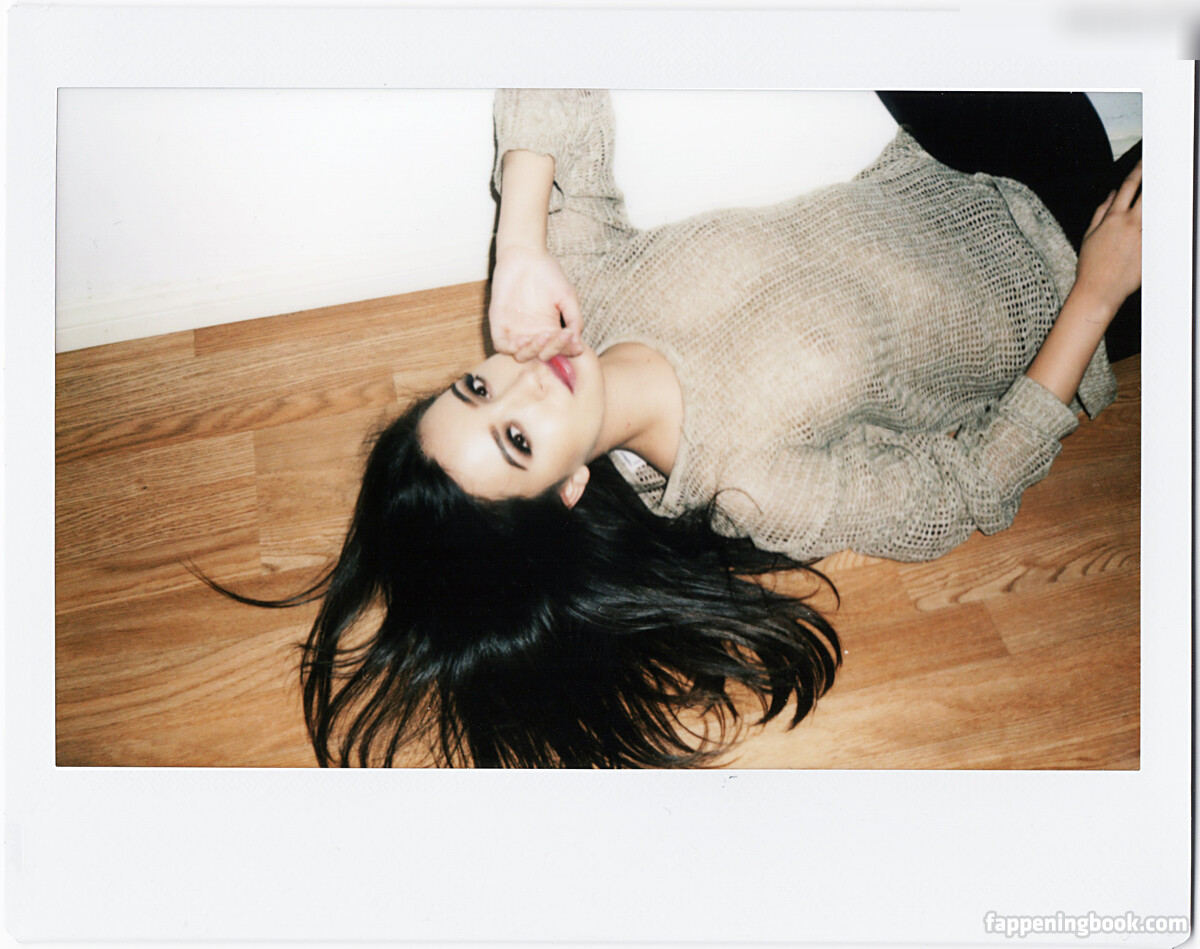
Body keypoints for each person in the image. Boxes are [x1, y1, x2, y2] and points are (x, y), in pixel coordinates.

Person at [212, 90, 1142, 769]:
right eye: (517, 440)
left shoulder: (586, 285)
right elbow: (967, 489)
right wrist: (1099, 292)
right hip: (1074, 271)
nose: (520, 381)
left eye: (475, 387)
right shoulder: (751, 480)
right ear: (567, 491)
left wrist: (520, 240)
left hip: (963, 155)